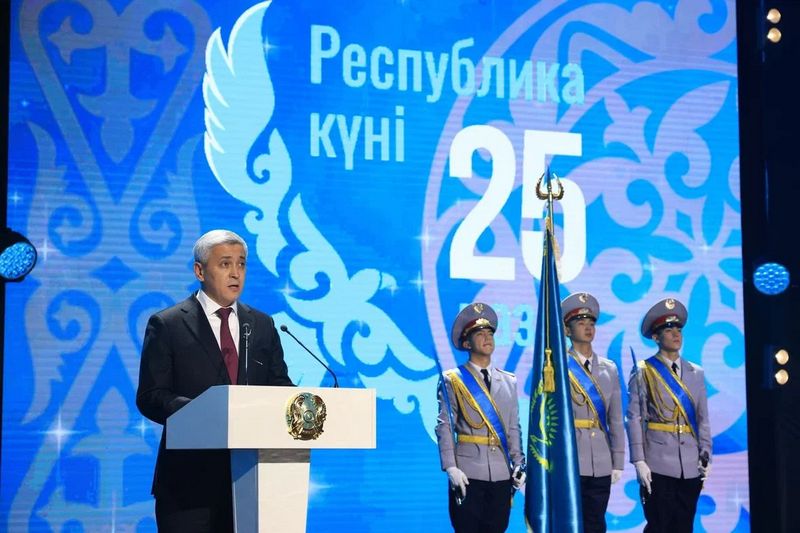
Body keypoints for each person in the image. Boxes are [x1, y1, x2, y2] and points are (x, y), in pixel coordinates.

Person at [136, 229, 293, 533]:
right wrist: (202, 411)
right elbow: (151, 395)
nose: (236, 273)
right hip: (188, 485)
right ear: (199, 271)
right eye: (225, 264)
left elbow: (280, 387)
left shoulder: (262, 324)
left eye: (242, 264)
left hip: (254, 482)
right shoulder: (168, 324)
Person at [435, 302, 526, 533]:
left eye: (490, 333)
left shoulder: (509, 381)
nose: (487, 338)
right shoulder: (453, 379)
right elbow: (445, 426)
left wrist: (519, 463)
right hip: (468, 473)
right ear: (467, 343)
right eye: (479, 334)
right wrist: (451, 467)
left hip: (502, 474)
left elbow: (513, 428)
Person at [626, 298, 712, 533]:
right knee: (659, 526)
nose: (676, 334)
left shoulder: (696, 372)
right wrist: (639, 460)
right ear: (656, 337)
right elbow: (634, 418)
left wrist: (706, 454)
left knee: (684, 527)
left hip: (690, 465)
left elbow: (702, 418)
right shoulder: (644, 371)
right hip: (658, 463)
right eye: (668, 329)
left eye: (678, 329)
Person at [561, 292, 625, 533]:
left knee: (596, 524)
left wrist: (617, 461)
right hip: (570, 458)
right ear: (567, 330)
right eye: (580, 323)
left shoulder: (609, 368)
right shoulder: (556, 366)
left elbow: (615, 419)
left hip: (601, 459)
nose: (588, 328)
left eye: (591, 323)